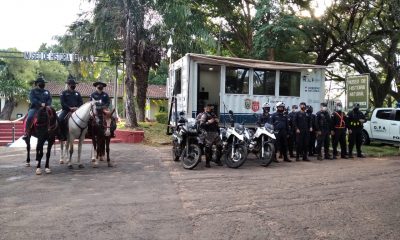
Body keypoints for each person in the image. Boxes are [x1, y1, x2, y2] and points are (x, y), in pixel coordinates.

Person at [59, 75, 83, 140]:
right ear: (68, 85)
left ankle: (82, 134)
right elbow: (62, 103)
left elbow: (81, 102)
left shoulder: (78, 93)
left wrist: (77, 107)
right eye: (72, 84)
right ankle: (61, 134)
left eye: (74, 84)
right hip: (66, 110)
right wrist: (69, 108)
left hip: (77, 111)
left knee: (85, 119)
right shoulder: (63, 93)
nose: (73, 85)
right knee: (60, 119)